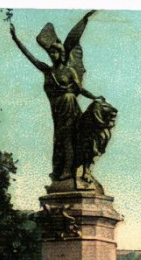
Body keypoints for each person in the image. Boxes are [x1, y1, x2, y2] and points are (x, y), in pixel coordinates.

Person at [10, 11, 117, 188]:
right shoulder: (47, 70)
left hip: (70, 106)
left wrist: (94, 97)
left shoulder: (69, 72)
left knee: (70, 137)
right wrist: (15, 39)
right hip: (58, 109)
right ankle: (65, 170)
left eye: (55, 53)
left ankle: (70, 170)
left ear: (61, 54)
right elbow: (30, 57)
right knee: (61, 140)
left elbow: (79, 89)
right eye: (50, 53)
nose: (52, 56)